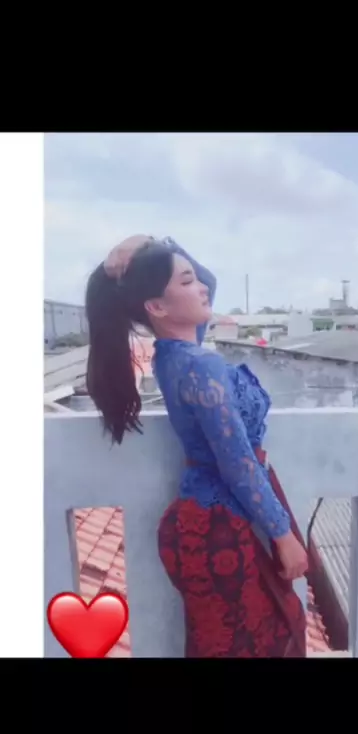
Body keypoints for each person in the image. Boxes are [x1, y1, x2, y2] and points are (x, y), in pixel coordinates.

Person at [86, 234, 308, 657]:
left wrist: (144, 243)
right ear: (157, 307)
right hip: (222, 526)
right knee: (265, 640)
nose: (202, 287)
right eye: (187, 282)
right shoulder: (200, 365)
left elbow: (208, 281)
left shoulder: (174, 352)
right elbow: (237, 463)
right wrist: (283, 535)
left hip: (207, 524)